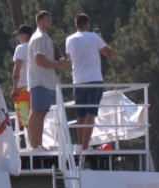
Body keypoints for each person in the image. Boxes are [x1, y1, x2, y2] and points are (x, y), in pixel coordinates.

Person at [65, 13, 113, 152]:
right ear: (88, 24)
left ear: (76, 25)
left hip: (78, 81)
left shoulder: (69, 40)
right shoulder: (94, 37)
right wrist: (101, 38)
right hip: (94, 80)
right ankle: (86, 146)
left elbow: (70, 58)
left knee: (80, 115)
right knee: (91, 114)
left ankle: (80, 145)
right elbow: (109, 53)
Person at [26, 11, 71, 152]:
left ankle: (37, 145)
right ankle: (36, 146)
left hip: (46, 82)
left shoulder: (44, 37)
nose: (49, 23)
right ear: (39, 22)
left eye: (50, 20)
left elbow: (45, 60)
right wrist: (58, 65)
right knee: (37, 112)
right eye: (46, 20)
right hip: (40, 81)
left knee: (42, 112)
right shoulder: (40, 38)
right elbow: (39, 60)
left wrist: (58, 63)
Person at [10, 24, 35, 129]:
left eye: (19, 35)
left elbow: (17, 69)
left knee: (26, 121)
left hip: (22, 89)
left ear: (25, 35)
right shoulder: (36, 47)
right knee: (35, 117)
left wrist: (14, 88)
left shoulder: (20, 48)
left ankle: (31, 143)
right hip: (35, 87)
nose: (18, 38)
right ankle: (38, 143)